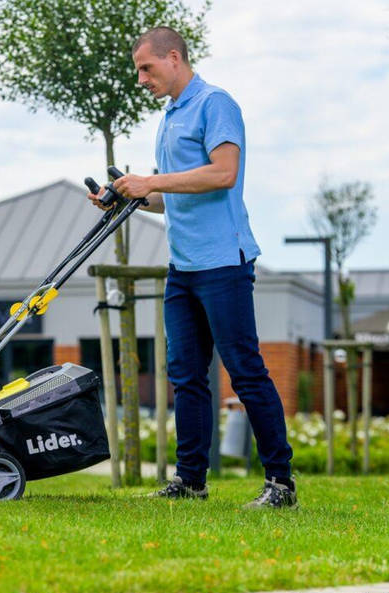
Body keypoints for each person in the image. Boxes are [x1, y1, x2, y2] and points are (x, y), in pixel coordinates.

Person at [87, 26, 297, 509]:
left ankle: (281, 484)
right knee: (184, 375)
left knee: (244, 371)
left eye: (147, 68)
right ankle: (190, 481)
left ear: (174, 57)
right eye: (139, 70)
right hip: (183, 267)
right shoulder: (170, 116)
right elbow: (170, 196)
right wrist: (129, 198)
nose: (142, 78)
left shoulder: (215, 104)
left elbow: (223, 174)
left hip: (224, 262)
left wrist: (149, 179)